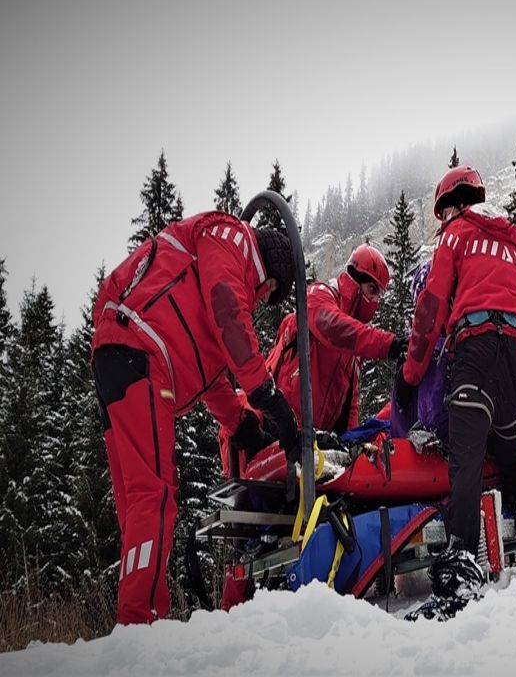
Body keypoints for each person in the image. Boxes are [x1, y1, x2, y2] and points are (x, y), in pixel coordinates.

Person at [91, 212, 301, 624]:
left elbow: (213, 380)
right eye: (271, 288)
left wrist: (244, 428)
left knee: (138, 502)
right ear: (270, 269)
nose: (263, 296)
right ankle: (140, 622)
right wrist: (266, 394)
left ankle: (134, 617)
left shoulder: (201, 288)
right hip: (143, 352)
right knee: (156, 492)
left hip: (118, 354)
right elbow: (227, 306)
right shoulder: (234, 238)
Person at [398, 165, 516, 617]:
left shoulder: (457, 235)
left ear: (452, 205)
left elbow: (430, 307)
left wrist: (411, 376)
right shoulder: (513, 246)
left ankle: (461, 567)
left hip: (476, 349)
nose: (441, 222)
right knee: (509, 453)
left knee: (465, 459)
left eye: (442, 213)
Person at [264, 244, 406, 442]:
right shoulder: (319, 294)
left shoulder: (354, 349)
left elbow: (351, 404)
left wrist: (351, 442)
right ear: (355, 279)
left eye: (378, 296)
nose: (374, 301)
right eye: (372, 290)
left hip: (314, 443)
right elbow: (332, 326)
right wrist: (389, 345)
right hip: (277, 426)